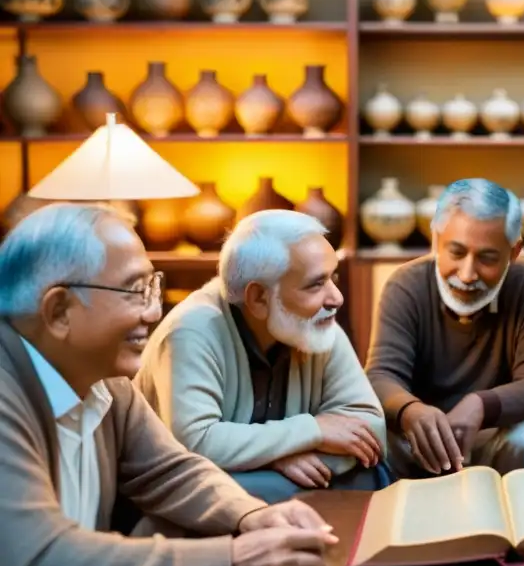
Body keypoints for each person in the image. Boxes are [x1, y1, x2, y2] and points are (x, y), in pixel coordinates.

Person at [0, 204, 337, 566]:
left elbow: (170, 470)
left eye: (152, 287)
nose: (153, 313)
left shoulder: (103, 379)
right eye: (134, 291)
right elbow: (47, 563)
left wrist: (254, 516)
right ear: (60, 310)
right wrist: (233, 564)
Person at [134, 210, 388, 505]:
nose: (336, 298)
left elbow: (369, 426)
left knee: (367, 474)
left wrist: (272, 452)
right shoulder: (191, 330)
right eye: (316, 284)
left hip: (271, 479)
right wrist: (308, 433)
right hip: (191, 486)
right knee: (225, 492)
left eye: (333, 277)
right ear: (258, 298)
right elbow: (196, 442)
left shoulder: (315, 324)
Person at [365, 178, 524, 477]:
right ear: (436, 240)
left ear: (514, 252)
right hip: (419, 438)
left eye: (487, 258)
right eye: (456, 253)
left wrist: (480, 405)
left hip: (496, 435)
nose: (468, 274)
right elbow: (381, 375)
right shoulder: (405, 284)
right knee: (367, 437)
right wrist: (410, 410)